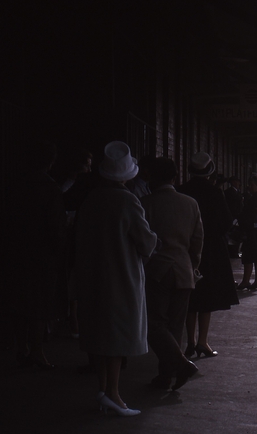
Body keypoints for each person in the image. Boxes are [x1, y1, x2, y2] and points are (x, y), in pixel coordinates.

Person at [71, 141, 157, 416]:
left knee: (100, 336)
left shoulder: (91, 199)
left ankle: (103, 391)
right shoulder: (128, 200)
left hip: (92, 275)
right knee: (118, 338)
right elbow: (145, 242)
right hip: (122, 277)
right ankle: (115, 395)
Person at [141, 158, 203, 391]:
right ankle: (167, 375)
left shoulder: (144, 204)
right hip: (184, 271)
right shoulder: (191, 204)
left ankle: (179, 366)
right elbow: (197, 242)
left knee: (153, 324)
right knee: (175, 328)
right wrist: (192, 266)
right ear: (175, 178)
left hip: (157, 271)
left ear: (152, 177)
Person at [5, 140, 67, 369]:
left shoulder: (17, 185)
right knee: (40, 305)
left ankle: (22, 347)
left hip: (18, 251)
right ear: (51, 161)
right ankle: (38, 351)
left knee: (20, 301)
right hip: (43, 255)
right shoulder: (51, 189)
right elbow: (55, 227)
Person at [178, 152, 238, 358]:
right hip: (211, 251)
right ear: (210, 171)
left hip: (185, 250)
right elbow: (226, 223)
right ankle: (203, 341)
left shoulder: (181, 191)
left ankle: (190, 341)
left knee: (190, 297)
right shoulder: (215, 194)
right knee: (207, 298)